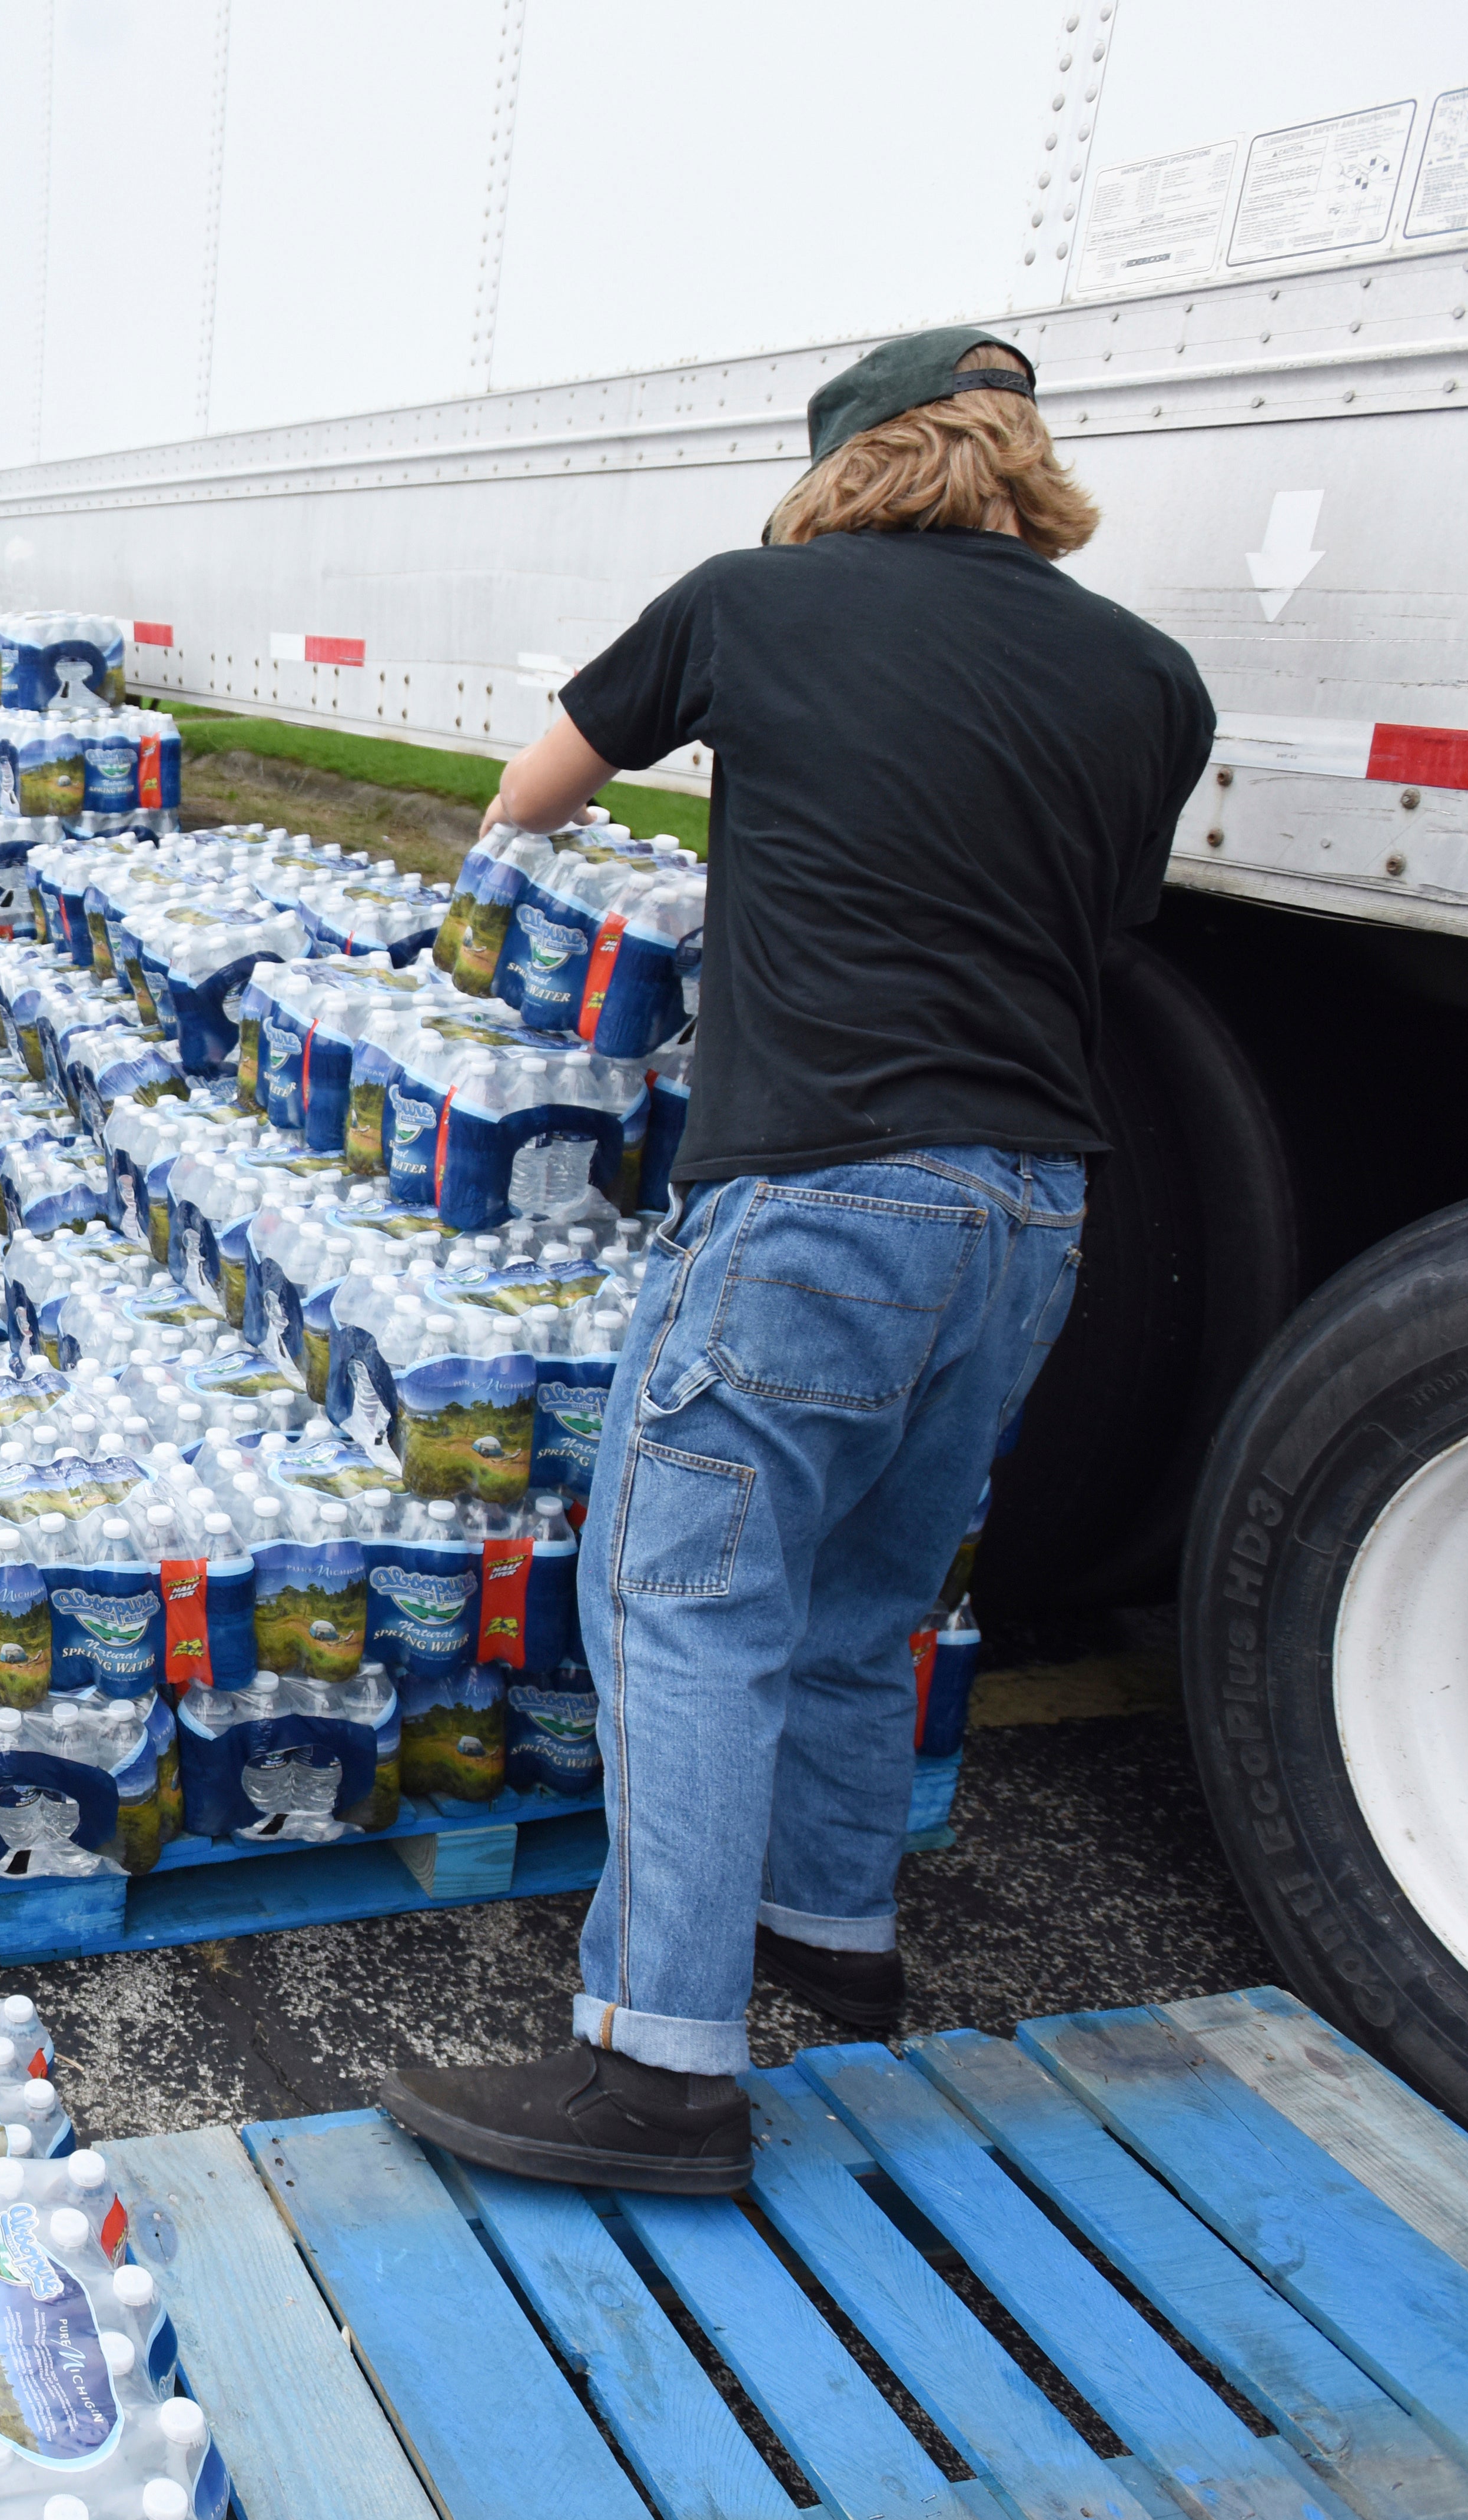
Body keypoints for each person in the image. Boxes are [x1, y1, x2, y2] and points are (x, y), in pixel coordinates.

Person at [376, 330, 1214, 2195]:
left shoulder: (751, 604)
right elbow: (1089, 914)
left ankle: (652, 2069)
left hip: (821, 1188)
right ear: (1017, 464)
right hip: (1028, 1213)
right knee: (863, 1596)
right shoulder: (1148, 677)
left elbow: (530, 794)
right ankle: (831, 1935)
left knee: (678, 1605)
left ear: (841, 464)